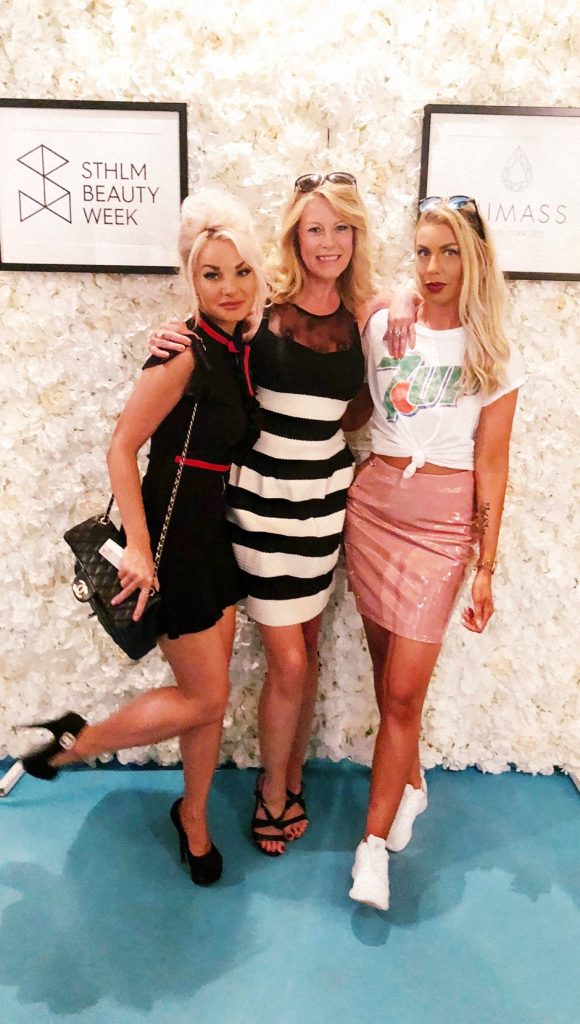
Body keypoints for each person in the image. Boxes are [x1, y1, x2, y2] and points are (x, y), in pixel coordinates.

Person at [151, 173, 418, 856]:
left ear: (356, 236)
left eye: (340, 228)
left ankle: (291, 771)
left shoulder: (367, 317)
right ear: (295, 236)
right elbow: (209, 324)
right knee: (290, 662)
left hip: (324, 502)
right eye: (314, 228)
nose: (328, 242)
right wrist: (168, 335)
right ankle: (273, 791)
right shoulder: (262, 304)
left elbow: (355, 409)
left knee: (309, 647)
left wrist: (399, 302)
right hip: (264, 499)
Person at [20, 189, 266, 887]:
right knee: (206, 698)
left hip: (212, 536)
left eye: (241, 272)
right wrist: (136, 545)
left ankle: (194, 815)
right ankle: (74, 743)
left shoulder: (237, 347)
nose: (228, 287)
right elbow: (122, 447)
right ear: (191, 277)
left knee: (207, 692)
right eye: (211, 274)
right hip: (171, 542)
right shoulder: (184, 353)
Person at [343, 195, 525, 911]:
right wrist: (393, 299)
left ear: (475, 258)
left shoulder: (494, 352)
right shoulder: (385, 322)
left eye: (449, 252)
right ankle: (411, 783)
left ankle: (370, 848)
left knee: (403, 693)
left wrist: (486, 567)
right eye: (422, 251)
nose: (433, 266)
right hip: (372, 511)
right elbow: (328, 305)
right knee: (386, 674)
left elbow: (493, 464)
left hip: (442, 527)